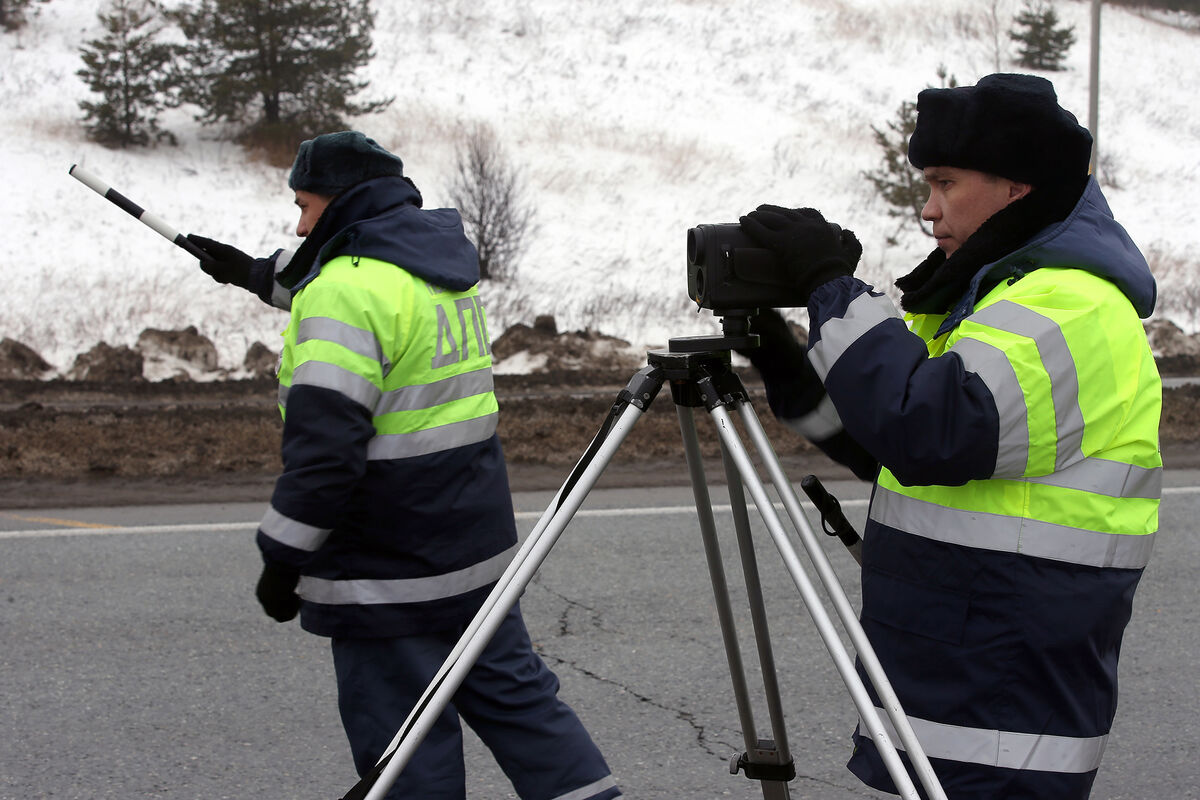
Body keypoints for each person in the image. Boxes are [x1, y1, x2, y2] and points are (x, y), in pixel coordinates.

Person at [736, 74, 1161, 799]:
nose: (928, 211)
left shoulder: (1072, 305)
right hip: (959, 672)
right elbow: (882, 443)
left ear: (1016, 187)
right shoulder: (987, 298)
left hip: (1006, 691)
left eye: (943, 183)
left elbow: (929, 429)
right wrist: (783, 354)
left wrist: (833, 287)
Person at [188, 131, 621, 800]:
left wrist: (283, 557)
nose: (298, 224)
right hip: (474, 558)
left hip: (386, 571)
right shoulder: (432, 265)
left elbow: (326, 455)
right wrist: (247, 269)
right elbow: (347, 282)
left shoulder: (342, 293)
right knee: (526, 713)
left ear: (342, 204)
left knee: (407, 752)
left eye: (305, 207)